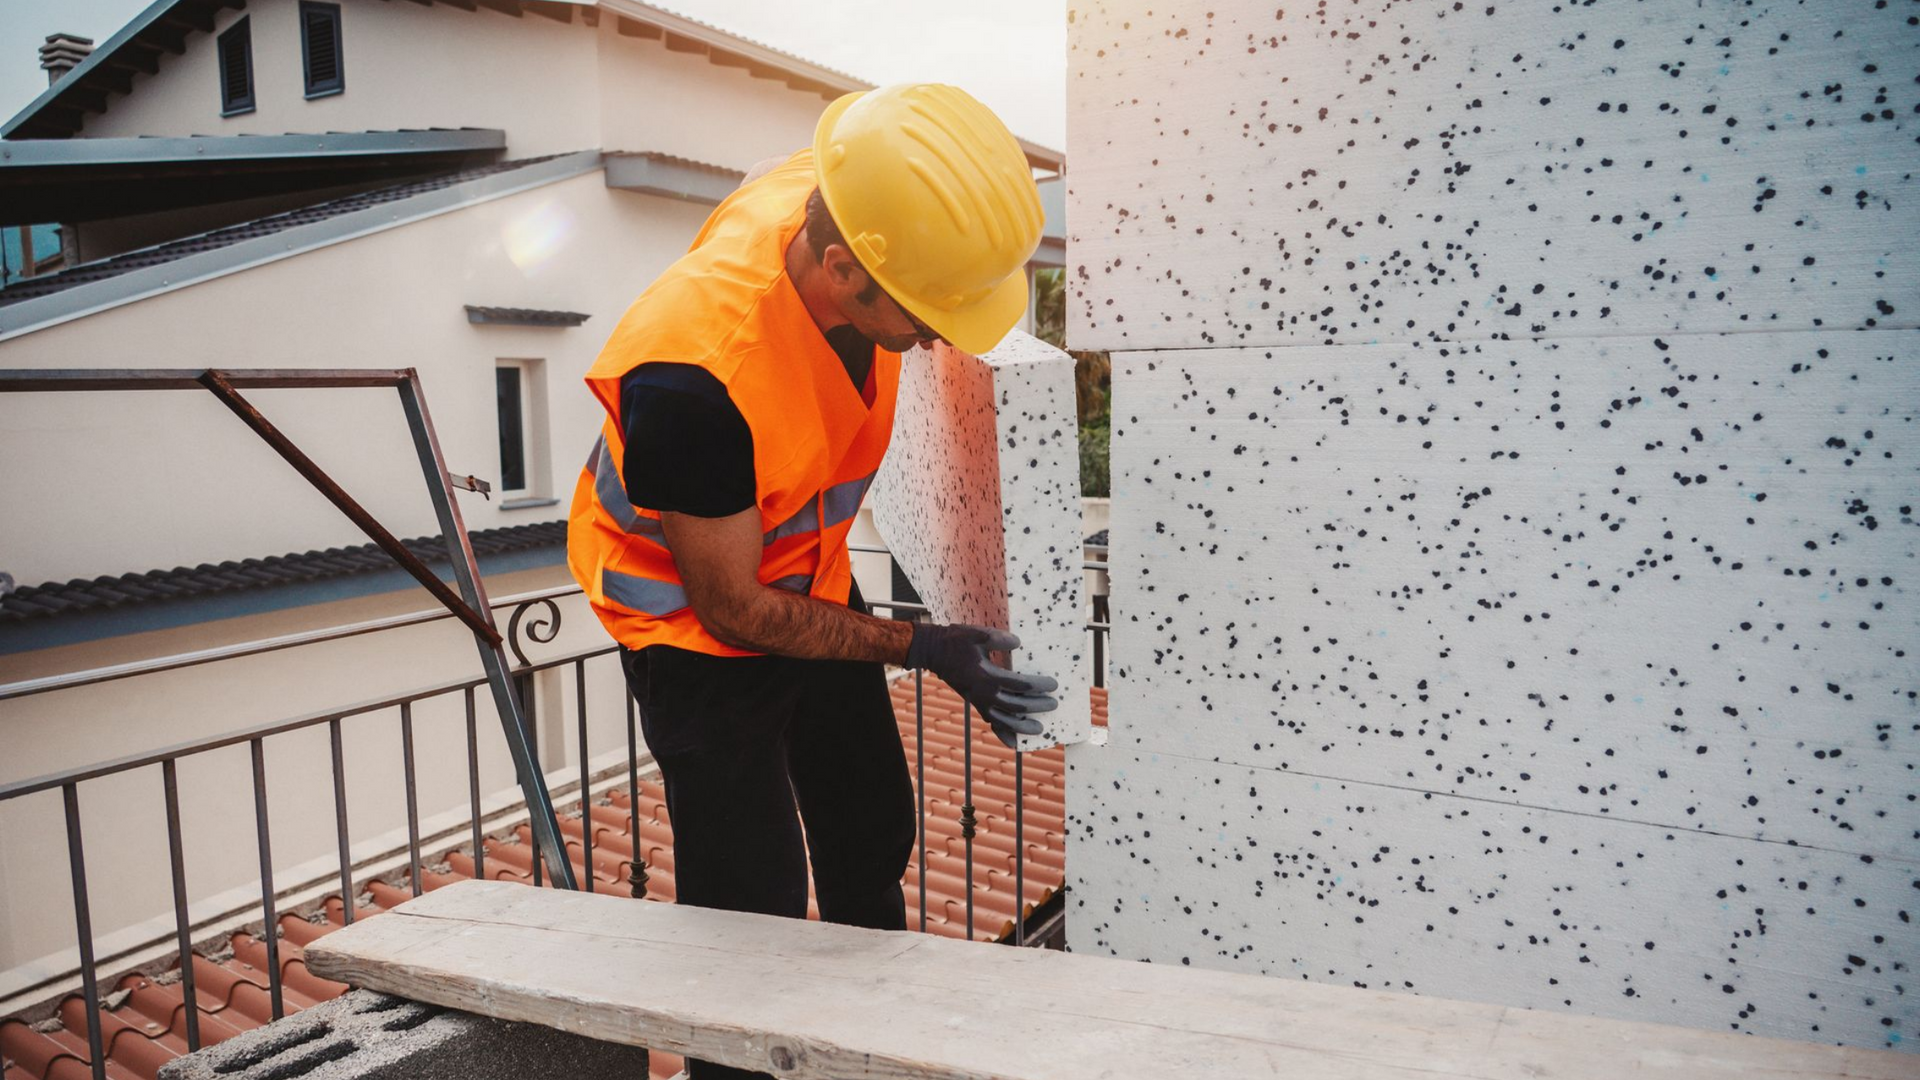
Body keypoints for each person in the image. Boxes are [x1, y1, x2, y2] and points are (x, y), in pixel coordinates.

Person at [565, 84, 1059, 1080]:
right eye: (929, 315)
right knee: (751, 916)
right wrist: (921, 645)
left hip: (808, 576)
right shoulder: (692, 378)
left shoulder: (833, 193)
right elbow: (736, 608)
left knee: (872, 824)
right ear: (842, 269)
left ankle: (863, 1049)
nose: (944, 338)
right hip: (696, 637)